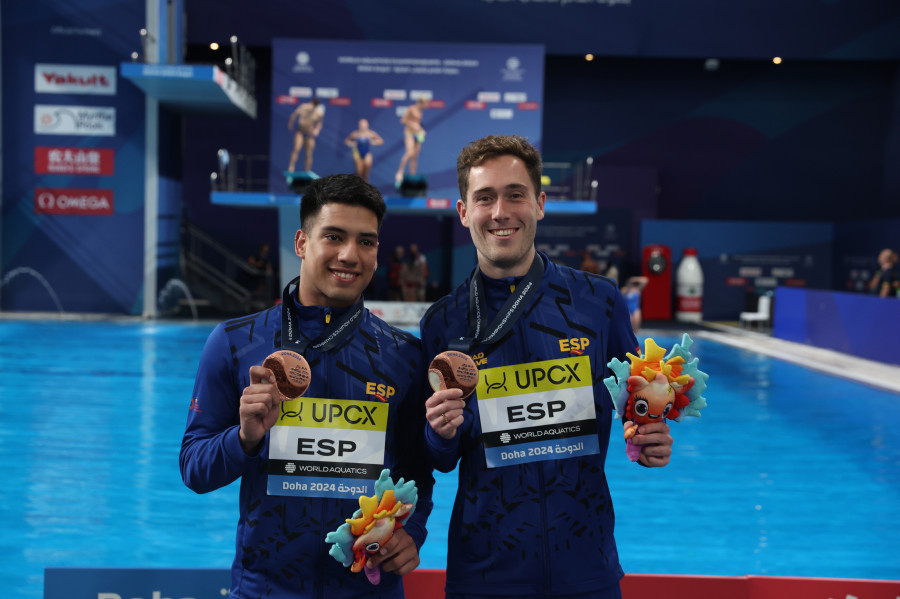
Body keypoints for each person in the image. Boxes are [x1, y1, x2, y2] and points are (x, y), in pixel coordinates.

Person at [419, 135, 674, 598]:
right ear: (463, 212)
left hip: (586, 566)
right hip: (483, 573)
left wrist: (649, 438)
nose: (500, 211)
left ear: (539, 203)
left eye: (515, 194)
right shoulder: (443, 323)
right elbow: (440, 458)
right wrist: (439, 432)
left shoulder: (598, 303)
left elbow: (635, 403)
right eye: (484, 198)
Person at [180, 174, 434, 599]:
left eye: (366, 241)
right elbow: (194, 469)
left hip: (370, 590)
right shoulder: (235, 343)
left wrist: (415, 532)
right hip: (265, 590)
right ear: (301, 242)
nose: (350, 255)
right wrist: (244, 438)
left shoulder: (404, 356)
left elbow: (417, 472)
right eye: (333, 236)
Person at [394, 98, 427, 186]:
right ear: (421, 102)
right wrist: (412, 125)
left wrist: (421, 129)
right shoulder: (411, 108)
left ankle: (413, 176)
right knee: (409, 152)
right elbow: (403, 120)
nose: (426, 106)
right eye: (425, 104)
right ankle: (400, 172)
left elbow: (417, 123)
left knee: (415, 156)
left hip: (417, 135)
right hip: (409, 133)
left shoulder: (421, 111)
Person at [287, 98, 325, 173]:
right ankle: (291, 166)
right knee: (296, 148)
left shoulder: (319, 113)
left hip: (309, 134)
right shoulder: (304, 107)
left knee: (308, 153)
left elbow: (320, 123)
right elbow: (294, 115)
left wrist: (317, 130)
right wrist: (290, 124)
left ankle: (307, 171)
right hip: (300, 131)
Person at [345, 118, 384, 183]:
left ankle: (366, 189)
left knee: (366, 174)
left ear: (367, 125)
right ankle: (358, 187)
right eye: (362, 124)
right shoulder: (355, 134)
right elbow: (347, 141)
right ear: (359, 125)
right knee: (359, 173)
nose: (363, 126)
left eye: (364, 124)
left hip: (367, 153)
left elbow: (381, 141)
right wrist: (352, 144)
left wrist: (372, 142)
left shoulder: (370, 134)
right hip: (358, 154)